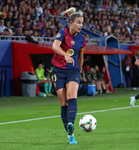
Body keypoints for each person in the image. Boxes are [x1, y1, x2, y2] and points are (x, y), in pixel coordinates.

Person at [51, 7, 86, 144]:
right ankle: (69, 135)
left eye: (82, 23)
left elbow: (81, 56)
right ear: (71, 22)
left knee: (72, 95)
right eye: (78, 22)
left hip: (73, 70)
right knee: (63, 103)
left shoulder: (82, 39)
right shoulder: (62, 33)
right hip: (58, 71)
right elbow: (54, 47)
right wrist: (65, 54)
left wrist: (80, 70)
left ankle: (71, 124)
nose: (80, 25)